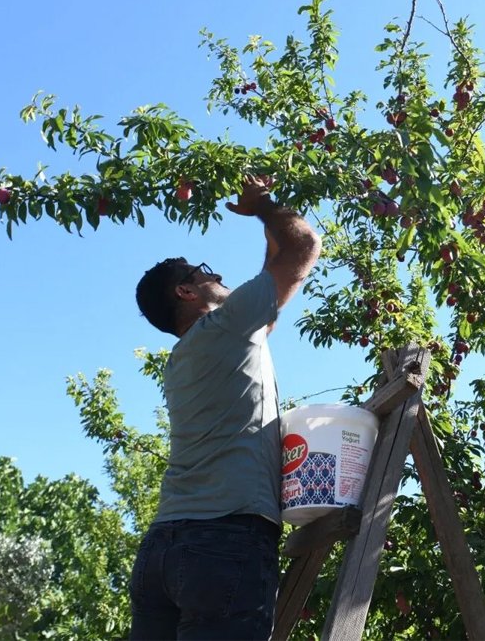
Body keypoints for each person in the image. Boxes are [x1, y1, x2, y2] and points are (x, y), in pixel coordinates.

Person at [130, 174, 321, 640]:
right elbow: (305, 247)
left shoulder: (187, 357)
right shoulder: (226, 328)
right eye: (205, 272)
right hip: (224, 541)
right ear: (186, 292)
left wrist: (266, 227)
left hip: (162, 552)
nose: (217, 275)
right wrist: (264, 207)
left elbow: (269, 295)